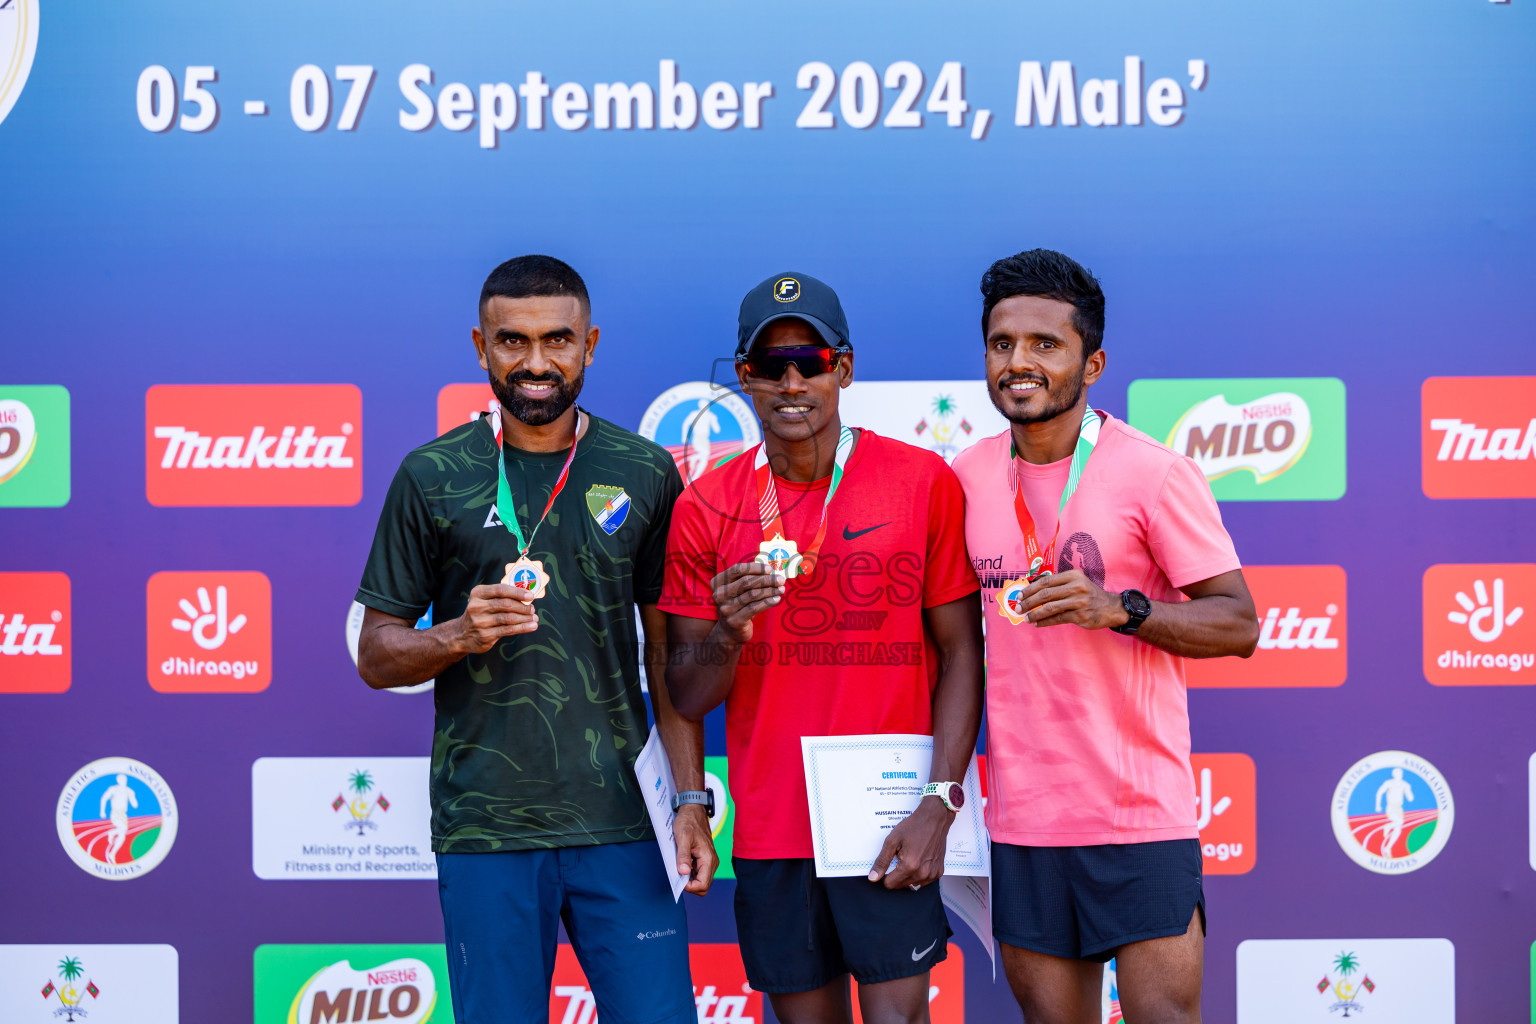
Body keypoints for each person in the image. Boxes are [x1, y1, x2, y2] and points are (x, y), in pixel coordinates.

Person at [354, 255, 714, 1024]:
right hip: (487, 825)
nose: (538, 362)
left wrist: (689, 798)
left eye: (558, 339)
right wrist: (454, 633)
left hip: (626, 822)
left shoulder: (645, 471)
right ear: (481, 349)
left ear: (590, 344)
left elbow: (668, 657)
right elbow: (376, 653)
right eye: (513, 342)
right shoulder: (432, 475)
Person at [660, 271, 984, 1024]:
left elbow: (962, 654)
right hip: (775, 825)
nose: (792, 381)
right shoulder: (705, 504)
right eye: (770, 366)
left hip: (888, 812)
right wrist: (728, 634)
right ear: (745, 377)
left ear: (844, 366)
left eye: (810, 359)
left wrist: (939, 800)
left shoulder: (922, 482)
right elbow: (688, 694)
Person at [950, 249, 1259, 1024]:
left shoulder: (1154, 473)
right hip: (1023, 821)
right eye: (1002, 343)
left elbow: (1239, 622)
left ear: (1093, 364)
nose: (1019, 363)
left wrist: (1121, 609)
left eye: (1045, 345)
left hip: (1139, 817)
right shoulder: (963, 478)